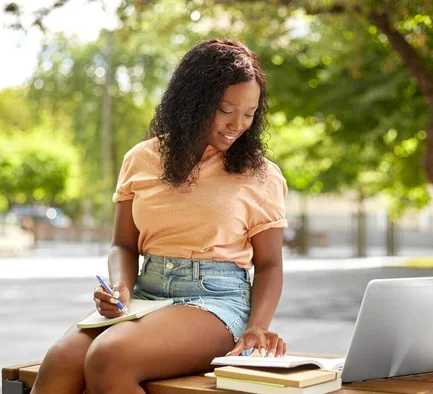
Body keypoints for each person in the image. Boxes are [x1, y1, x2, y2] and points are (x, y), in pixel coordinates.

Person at [31, 38, 288, 394]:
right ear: (195, 101)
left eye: (249, 113)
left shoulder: (261, 174)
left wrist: (257, 326)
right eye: (227, 110)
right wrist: (119, 289)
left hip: (216, 303)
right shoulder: (140, 159)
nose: (238, 124)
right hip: (144, 297)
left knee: (109, 357)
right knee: (60, 361)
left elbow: (271, 264)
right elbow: (122, 244)